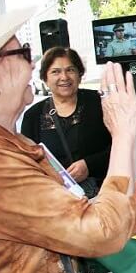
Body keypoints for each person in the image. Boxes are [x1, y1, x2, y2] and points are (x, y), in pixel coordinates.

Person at [0, 6, 136, 273]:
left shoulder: (3, 144)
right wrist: (125, 132)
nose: (31, 62)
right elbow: (100, 231)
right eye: (22, 51)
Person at [22, 47, 111, 195]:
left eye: (70, 70)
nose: (64, 77)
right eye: (55, 71)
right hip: (57, 199)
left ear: (79, 74)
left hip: (103, 191)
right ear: (45, 78)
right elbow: (28, 164)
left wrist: (89, 165)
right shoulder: (33, 116)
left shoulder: (98, 103)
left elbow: (121, 143)